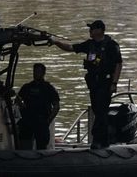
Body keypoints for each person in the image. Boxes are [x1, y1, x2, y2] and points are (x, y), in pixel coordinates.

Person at [51, 20, 122, 149]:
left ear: (100, 30)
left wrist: (114, 83)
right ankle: (104, 140)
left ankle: (97, 139)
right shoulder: (89, 45)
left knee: (101, 111)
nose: (90, 31)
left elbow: (118, 64)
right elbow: (71, 48)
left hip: (105, 83)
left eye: (92, 29)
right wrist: (56, 42)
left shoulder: (112, 45)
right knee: (97, 110)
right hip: (93, 84)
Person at [15, 63, 60, 150]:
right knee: (24, 147)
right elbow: (17, 99)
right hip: (28, 120)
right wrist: (22, 107)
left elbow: (56, 106)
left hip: (41, 121)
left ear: (43, 73)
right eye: (35, 71)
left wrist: (48, 121)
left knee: (41, 148)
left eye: (38, 72)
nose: (36, 74)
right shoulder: (27, 87)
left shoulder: (49, 88)